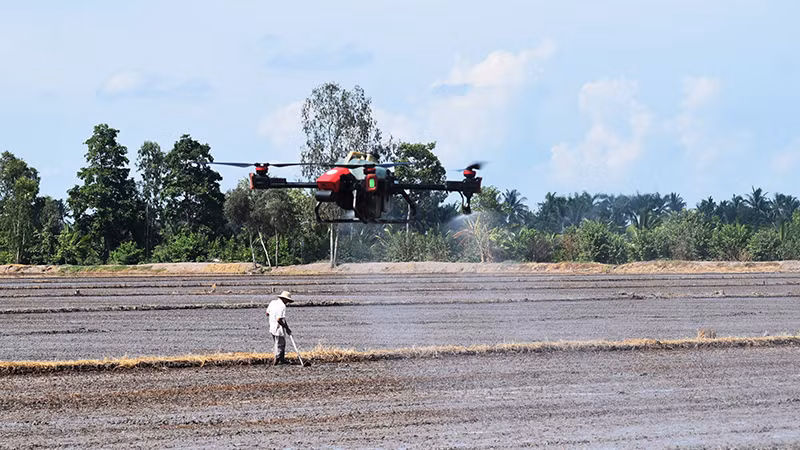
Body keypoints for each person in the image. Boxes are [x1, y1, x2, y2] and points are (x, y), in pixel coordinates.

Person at [266, 290, 293, 365]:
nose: (287, 302)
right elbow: (279, 320)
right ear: (284, 299)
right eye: (287, 300)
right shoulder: (282, 306)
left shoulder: (272, 302)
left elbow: (267, 313)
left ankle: (282, 359)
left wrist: (273, 315)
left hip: (272, 326)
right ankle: (276, 360)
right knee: (280, 344)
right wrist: (286, 328)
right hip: (278, 328)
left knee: (277, 343)